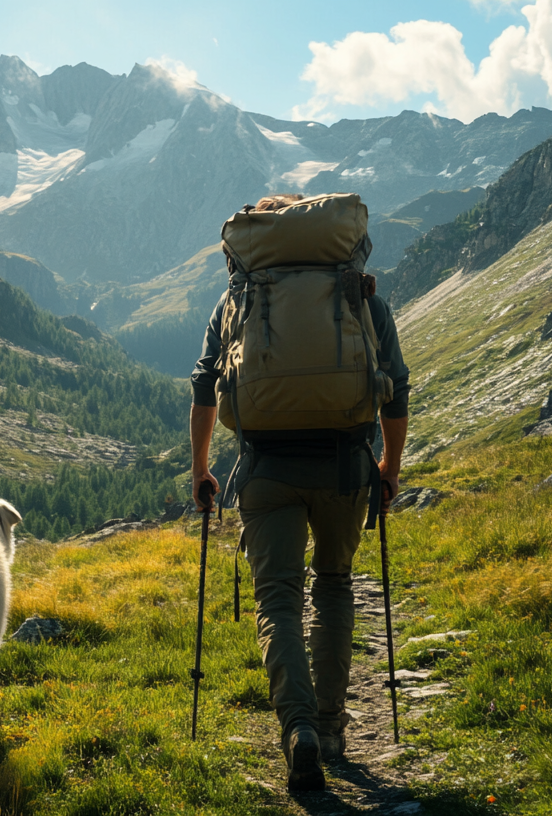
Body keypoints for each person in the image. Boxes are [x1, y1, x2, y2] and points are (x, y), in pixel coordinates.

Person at [189, 194, 410, 793]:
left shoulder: (240, 298)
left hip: (266, 468)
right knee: (334, 584)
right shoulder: (358, 295)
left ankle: (298, 732)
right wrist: (388, 464)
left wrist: (202, 469)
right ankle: (333, 726)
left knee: (279, 600)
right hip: (343, 465)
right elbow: (396, 387)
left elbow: (206, 383)